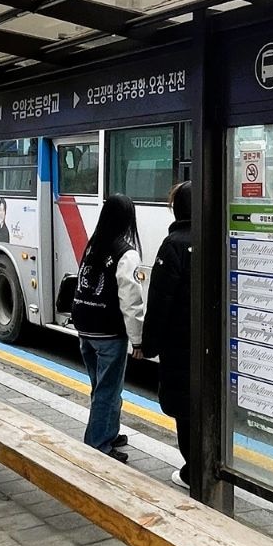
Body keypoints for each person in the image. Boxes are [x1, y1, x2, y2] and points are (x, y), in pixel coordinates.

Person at [71, 194, 145, 462]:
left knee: (100, 385)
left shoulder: (94, 244)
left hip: (85, 326)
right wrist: (137, 340)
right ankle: (98, 443)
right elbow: (131, 300)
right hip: (108, 331)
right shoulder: (126, 252)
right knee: (108, 389)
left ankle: (109, 431)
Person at [139, 182, 192, 489]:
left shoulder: (173, 244)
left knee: (184, 412)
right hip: (210, 345)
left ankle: (192, 471)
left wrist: (148, 345)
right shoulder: (216, 236)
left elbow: (160, 301)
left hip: (180, 344)